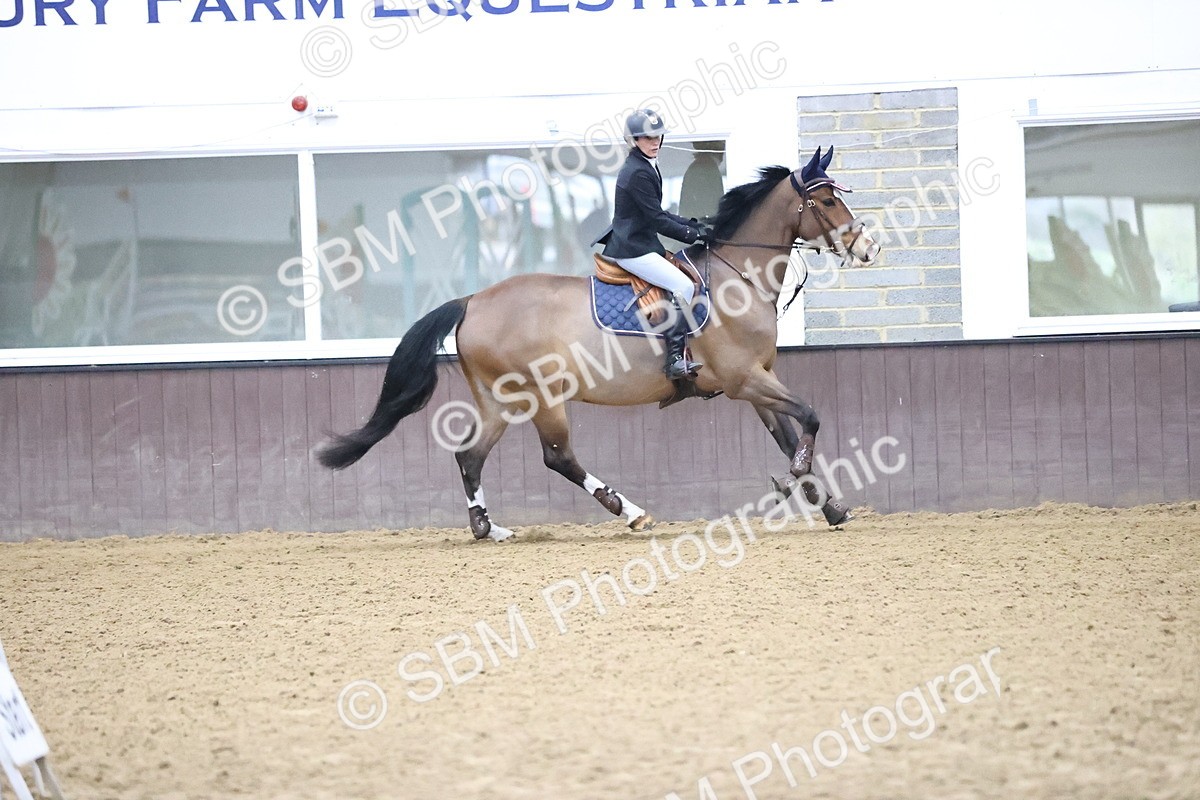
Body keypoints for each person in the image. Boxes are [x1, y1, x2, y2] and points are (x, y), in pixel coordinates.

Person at [595, 109, 707, 381]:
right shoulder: (637, 172)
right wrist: (691, 235)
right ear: (634, 140)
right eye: (647, 137)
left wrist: (696, 225)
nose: (655, 142)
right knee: (683, 286)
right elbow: (656, 219)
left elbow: (660, 212)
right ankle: (674, 360)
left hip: (642, 242)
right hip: (632, 248)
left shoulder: (646, 164)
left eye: (658, 136)